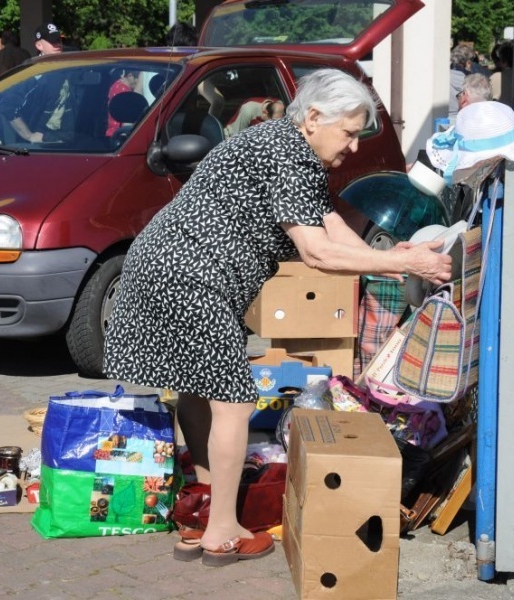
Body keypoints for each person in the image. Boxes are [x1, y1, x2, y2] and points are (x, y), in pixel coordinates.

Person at [103, 68, 452, 567]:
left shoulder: (277, 143)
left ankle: (203, 507)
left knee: (197, 391)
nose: (353, 146)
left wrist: (391, 261)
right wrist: (405, 262)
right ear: (313, 118)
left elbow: (325, 221)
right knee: (234, 403)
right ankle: (222, 531)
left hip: (157, 265)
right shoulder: (290, 153)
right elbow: (317, 254)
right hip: (194, 276)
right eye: (349, 132)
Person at [3, 24, 66, 142]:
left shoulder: (69, 69)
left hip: (68, 140)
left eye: (59, 40)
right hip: (41, 146)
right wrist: (29, 136)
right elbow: (7, 105)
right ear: (39, 45)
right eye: (52, 41)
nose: (58, 44)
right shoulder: (34, 74)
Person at [106, 69, 140, 136]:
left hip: (114, 131)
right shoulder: (123, 90)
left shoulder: (118, 85)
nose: (136, 85)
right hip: (119, 133)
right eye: (136, 82)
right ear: (130, 76)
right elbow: (127, 115)